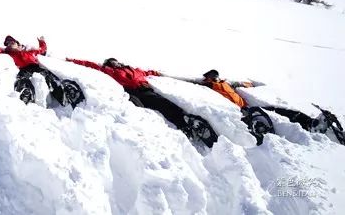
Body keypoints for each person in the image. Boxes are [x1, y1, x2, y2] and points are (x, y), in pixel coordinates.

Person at [66, 56, 217, 147]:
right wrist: (70, 61)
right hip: (130, 91)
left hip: (146, 90)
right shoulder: (108, 71)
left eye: (116, 62)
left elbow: (147, 72)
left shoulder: (134, 69)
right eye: (112, 63)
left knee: (163, 104)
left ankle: (185, 123)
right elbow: (89, 64)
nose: (116, 64)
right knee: (140, 110)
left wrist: (157, 73)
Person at [189, 69, 343, 145]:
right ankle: (296, 138)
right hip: (236, 111)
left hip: (247, 105)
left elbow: (244, 84)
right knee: (268, 120)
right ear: (207, 77)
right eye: (211, 76)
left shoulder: (226, 83)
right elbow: (186, 81)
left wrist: (253, 84)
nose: (213, 77)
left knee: (282, 111)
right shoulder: (207, 86)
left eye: (214, 75)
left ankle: (311, 124)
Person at [0, 35, 84, 108]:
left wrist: (42, 41)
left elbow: (42, 50)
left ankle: (63, 95)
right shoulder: (8, 53)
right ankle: (26, 95)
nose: (10, 44)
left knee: (50, 77)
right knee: (22, 79)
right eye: (8, 43)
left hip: (35, 67)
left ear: (18, 44)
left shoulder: (30, 52)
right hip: (23, 70)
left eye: (12, 42)